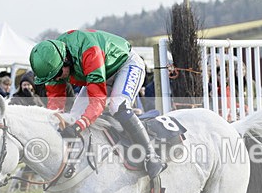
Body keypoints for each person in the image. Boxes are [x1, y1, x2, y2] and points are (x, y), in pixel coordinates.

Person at [30, 29, 164, 178]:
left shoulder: (89, 53)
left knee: (117, 105)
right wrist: (54, 124)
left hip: (125, 64)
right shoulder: (52, 67)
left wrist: (79, 126)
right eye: (53, 77)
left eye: (58, 74)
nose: (57, 79)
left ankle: (151, 157)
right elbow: (56, 104)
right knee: (74, 116)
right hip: (100, 72)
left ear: (66, 61)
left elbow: (98, 101)